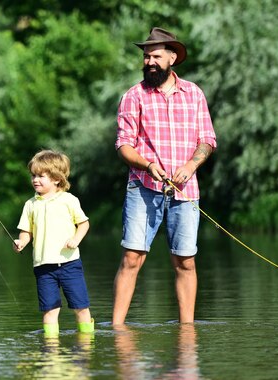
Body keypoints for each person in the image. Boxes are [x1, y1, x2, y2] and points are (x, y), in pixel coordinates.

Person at [112, 28, 217, 324]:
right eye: (146, 56)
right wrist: (147, 166)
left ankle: (187, 329)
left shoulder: (194, 94)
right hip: (143, 187)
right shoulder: (133, 96)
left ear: (172, 57)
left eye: (156, 56)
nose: (149, 62)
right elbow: (123, 145)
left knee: (185, 261)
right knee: (132, 258)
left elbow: (208, 139)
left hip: (186, 192)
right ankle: (117, 328)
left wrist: (191, 166)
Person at [13, 150, 94, 337]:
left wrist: (75, 239)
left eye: (41, 176)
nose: (35, 179)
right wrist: (21, 242)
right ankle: (50, 348)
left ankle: (87, 342)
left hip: (70, 264)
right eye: (33, 175)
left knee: (80, 306)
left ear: (57, 179)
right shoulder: (30, 204)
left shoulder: (69, 200)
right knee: (49, 310)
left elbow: (84, 223)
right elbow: (26, 231)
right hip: (43, 267)